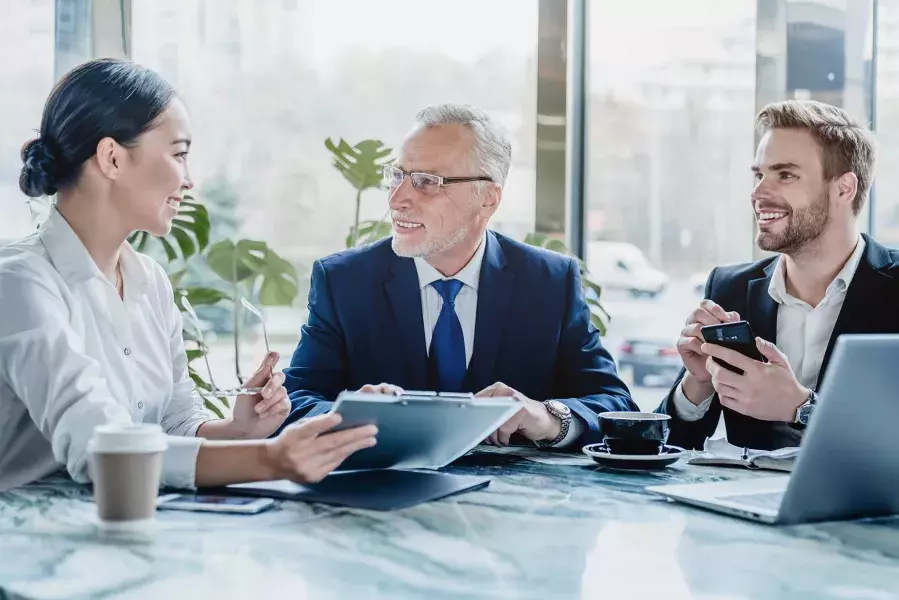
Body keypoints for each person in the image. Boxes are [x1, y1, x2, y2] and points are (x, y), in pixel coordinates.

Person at [0, 58, 376, 493]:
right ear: (112, 158)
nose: (190, 180)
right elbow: (101, 449)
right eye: (179, 154)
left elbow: (173, 424)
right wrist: (270, 457)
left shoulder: (149, 280)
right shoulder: (21, 283)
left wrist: (239, 430)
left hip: (131, 526)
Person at [282, 103, 636, 450]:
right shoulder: (343, 281)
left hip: (513, 502)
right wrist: (348, 417)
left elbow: (615, 404)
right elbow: (294, 401)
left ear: (488, 199)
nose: (396, 198)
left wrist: (544, 417)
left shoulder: (549, 282)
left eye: (426, 182)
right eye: (397, 176)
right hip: (382, 498)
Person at [658, 99, 899, 451]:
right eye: (759, 175)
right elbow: (672, 446)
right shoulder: (730, 288)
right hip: (740, 502)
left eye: (785, 175)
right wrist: (697, 385)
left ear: (844, 188)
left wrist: (801, 408)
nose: (758, 193)